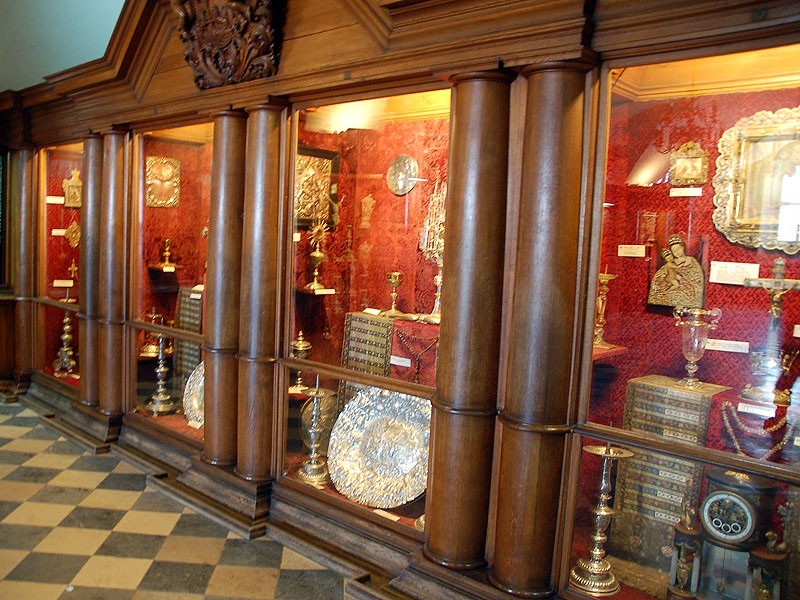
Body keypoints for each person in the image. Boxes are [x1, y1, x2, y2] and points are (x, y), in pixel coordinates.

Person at [648, 234, 704, 308]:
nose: (677, 253)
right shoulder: (670, 262)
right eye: (674, 251)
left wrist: (685, 282)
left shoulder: (692, 261)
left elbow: (697, 277)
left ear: (682, 247)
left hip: (687, 291)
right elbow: (660, 276)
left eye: (678, 249)